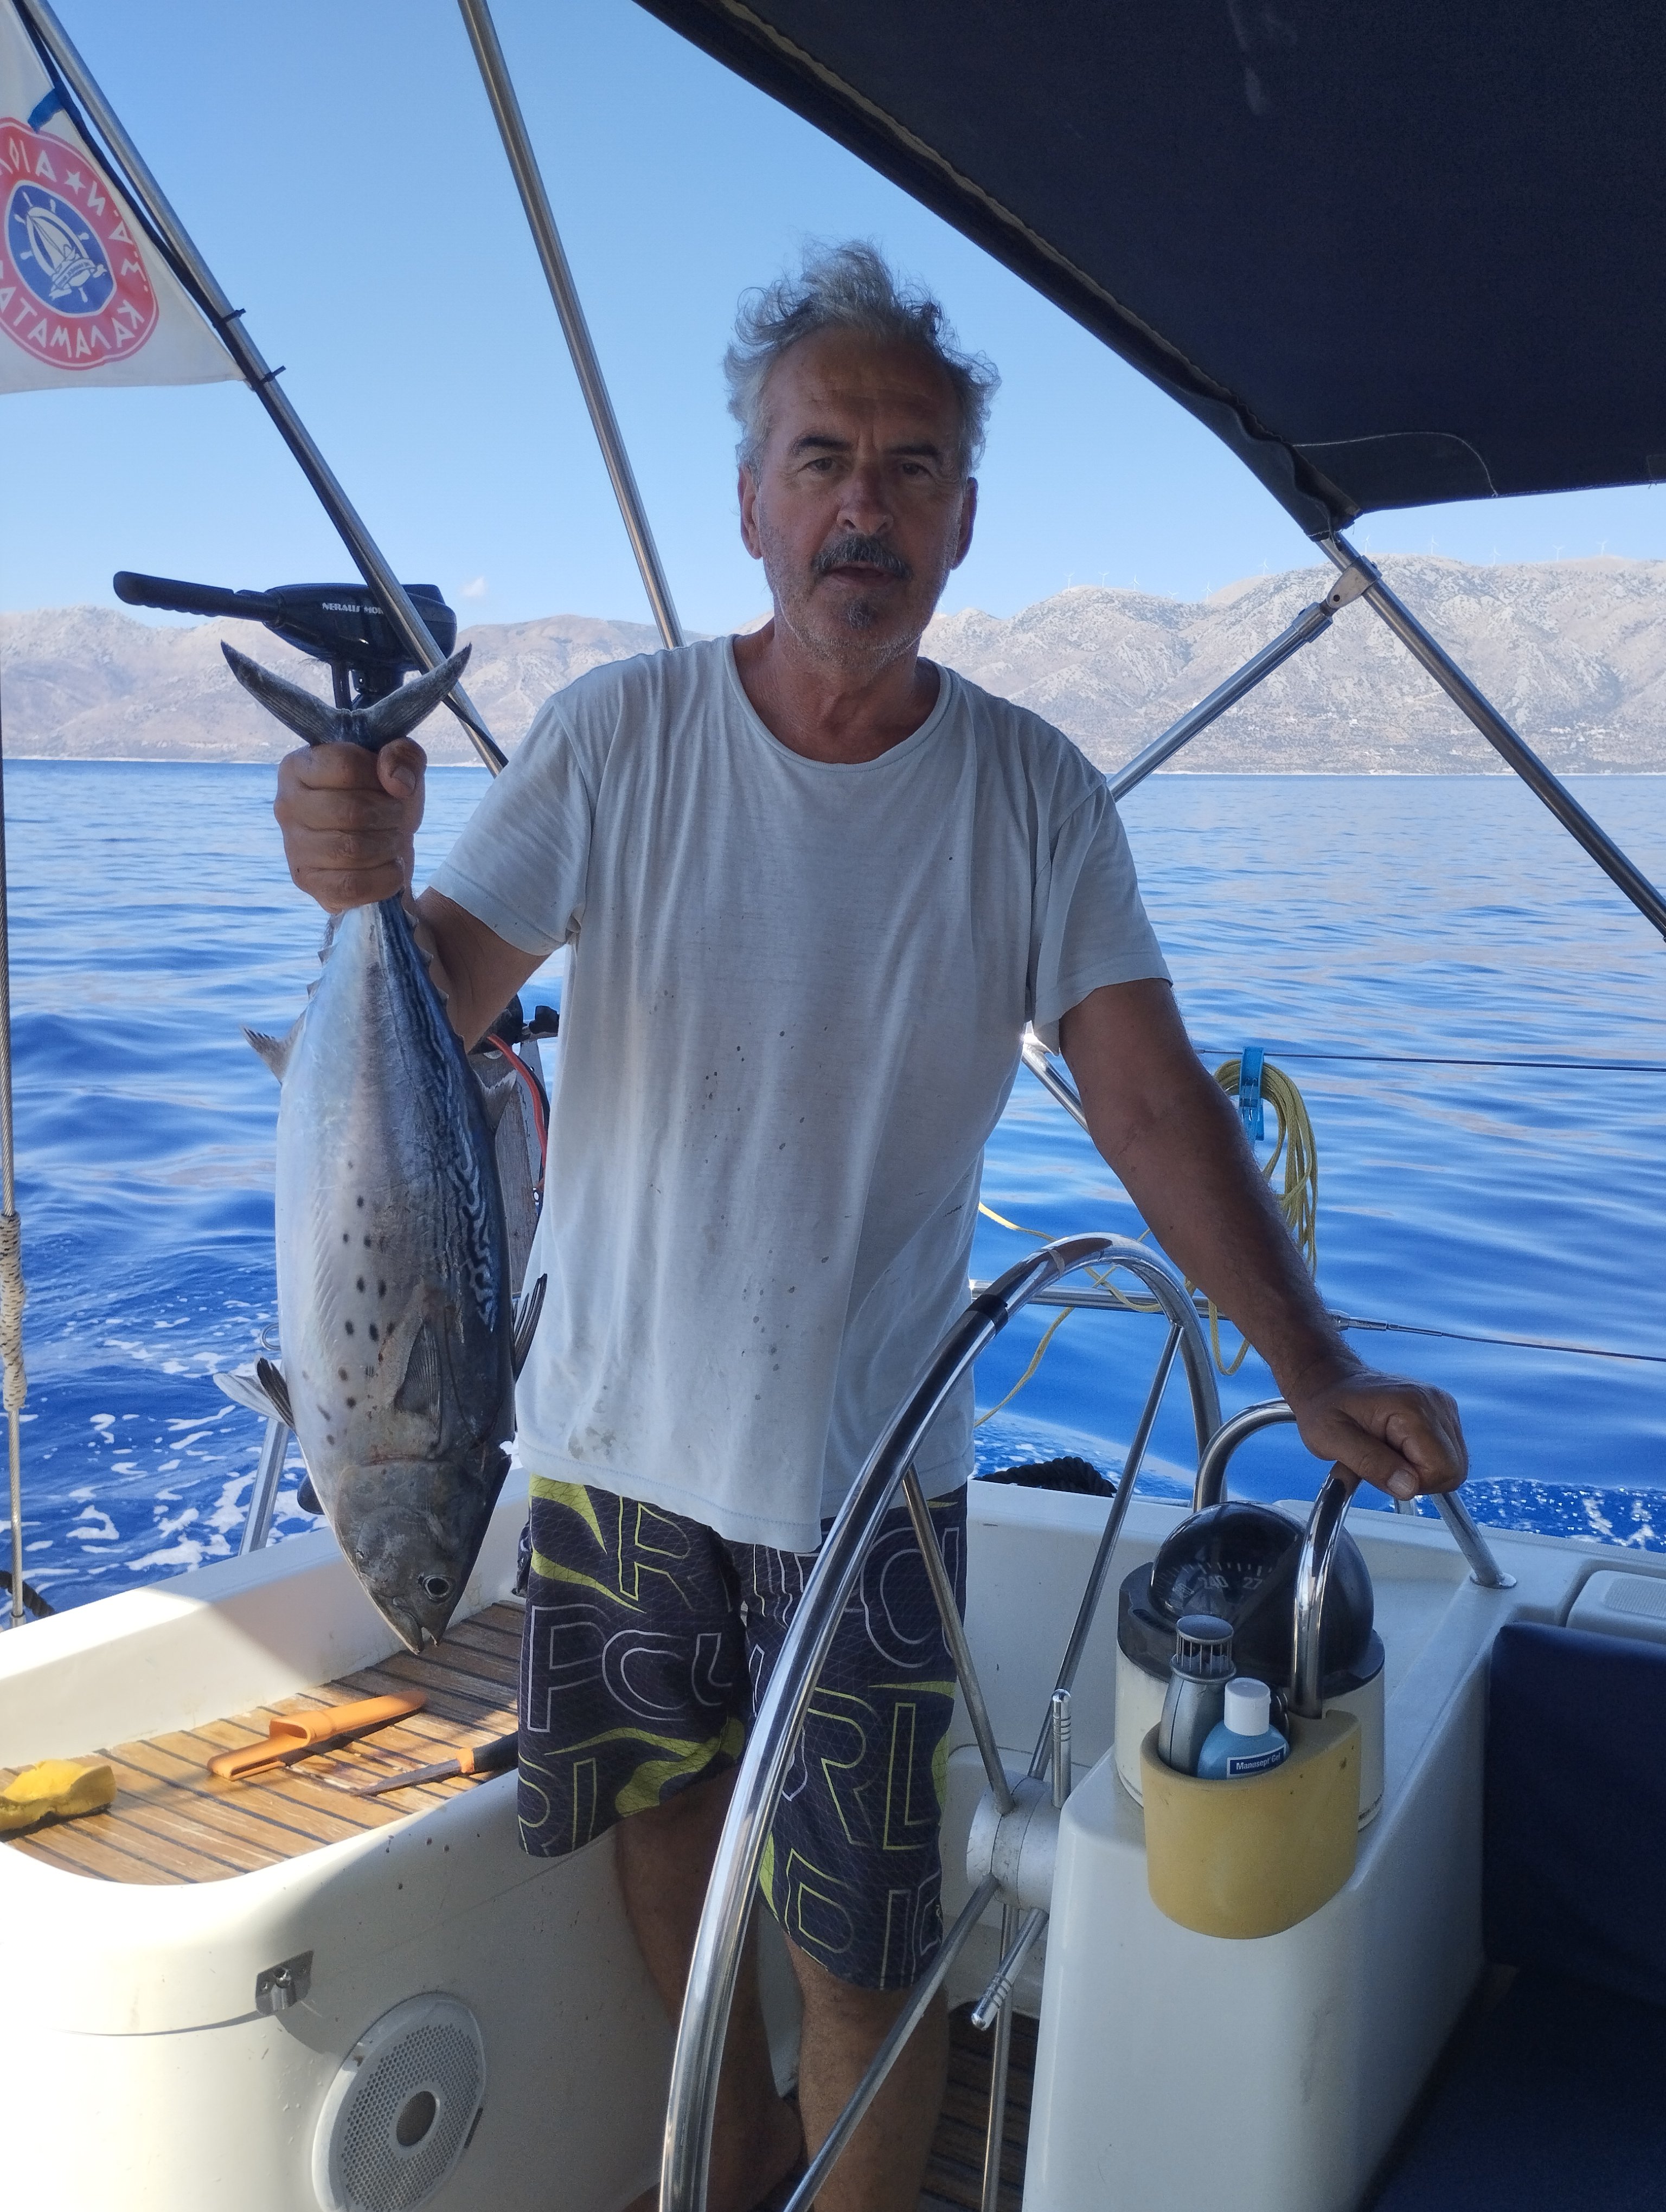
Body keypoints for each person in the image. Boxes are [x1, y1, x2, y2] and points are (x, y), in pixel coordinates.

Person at [274, 242, 1466, 2212]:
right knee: (667, 1857)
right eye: (822, 457)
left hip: (870, 1481)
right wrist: (359, 877)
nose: (863, 504)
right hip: (608, 1448)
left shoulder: (1035, 797)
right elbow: (437, 997)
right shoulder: (619, 737)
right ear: (750, 503)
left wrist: (1311, 1364)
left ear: (964, 521)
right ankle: (727, 2170)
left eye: (911, 468)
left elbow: (1152, 1102)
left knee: (867, 1938)